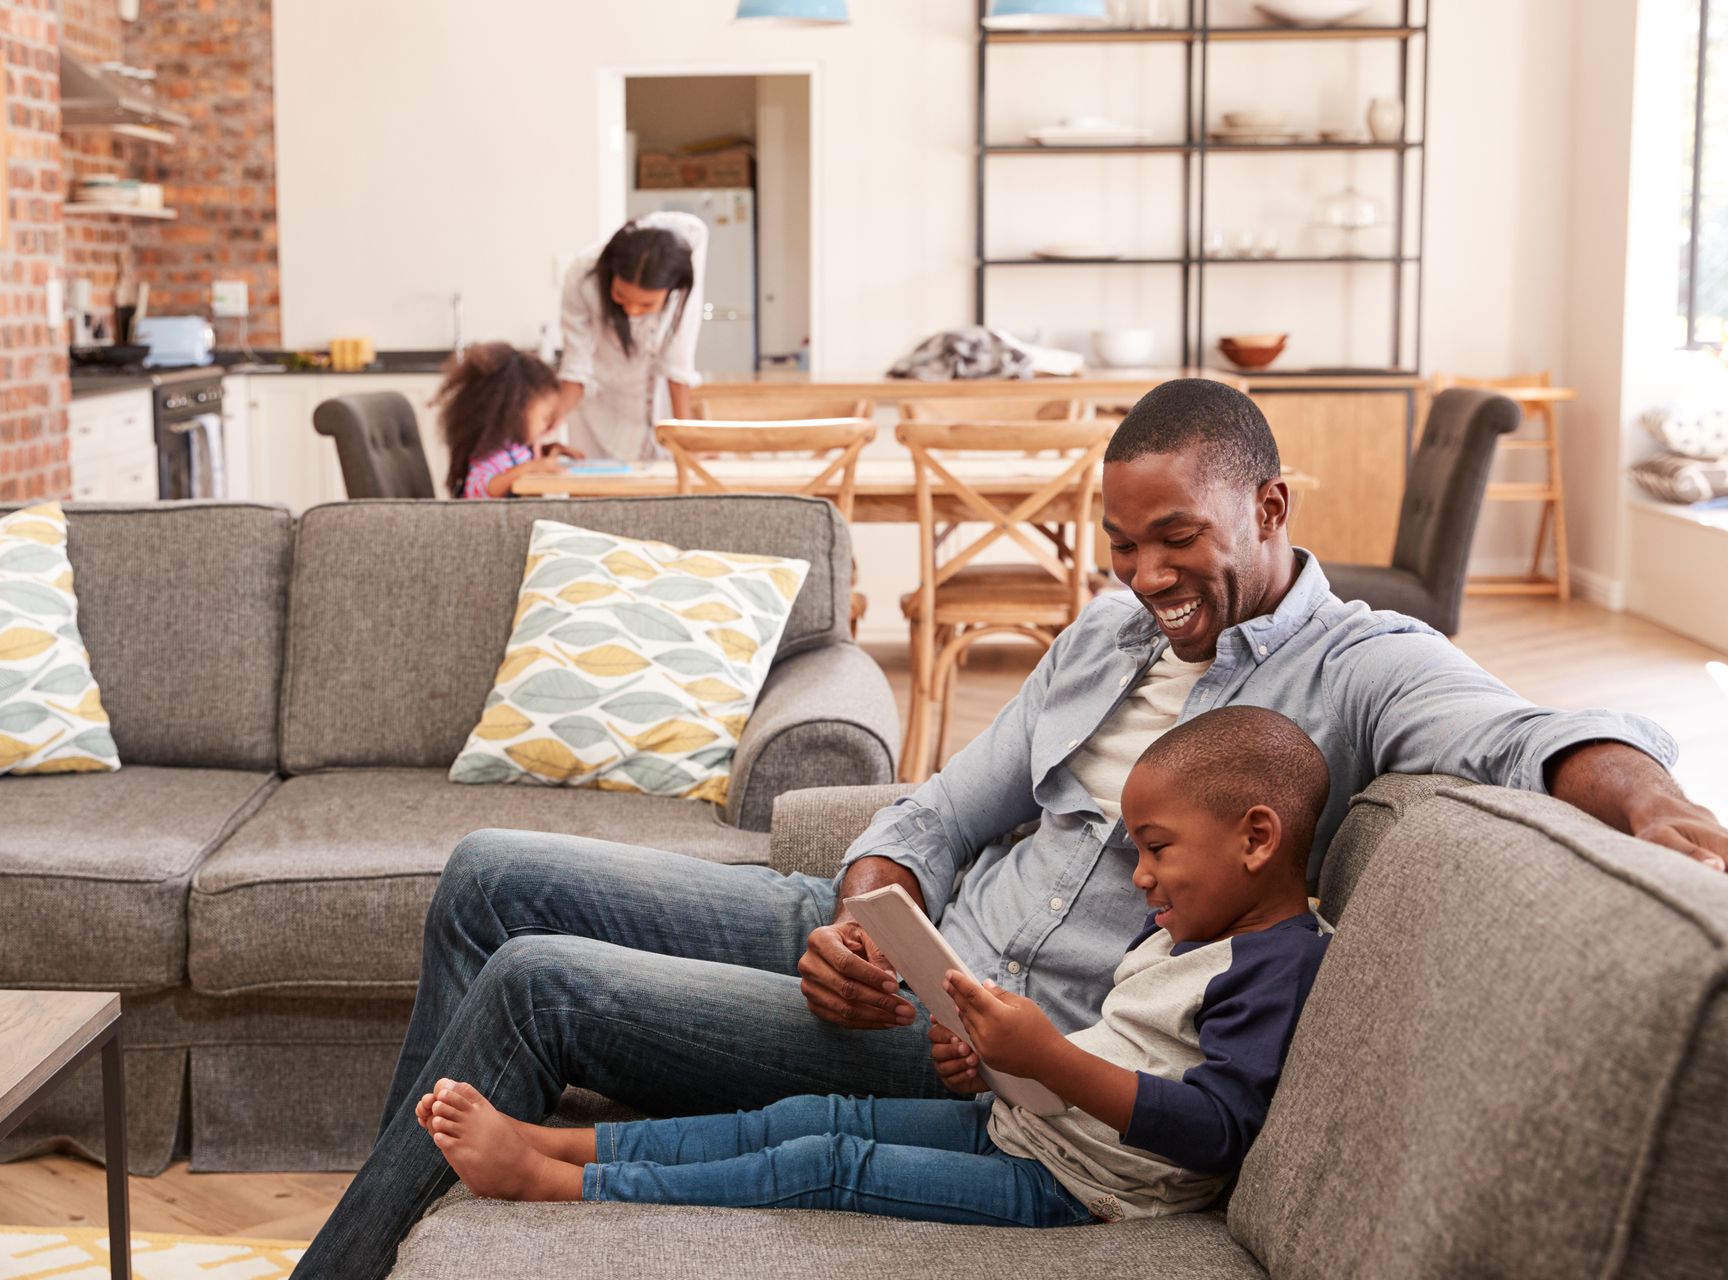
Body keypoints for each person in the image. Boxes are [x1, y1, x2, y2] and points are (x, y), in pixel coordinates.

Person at [292, 378, 1728, 1277]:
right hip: (887, 945)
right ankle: (410, 1207)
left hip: (975, 1034)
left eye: (1180, 538)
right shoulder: (1105, 634)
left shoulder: (1359, 666)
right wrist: (867, 895)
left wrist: (1655, 804)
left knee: (541, 979)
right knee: (486, 874)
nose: (1147, 573)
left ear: (1271, 505)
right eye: (1124, 542)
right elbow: (940, 806)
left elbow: (1533, 737)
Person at [415, 706, 1332, 1228]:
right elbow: (1132, 1055)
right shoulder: (1191, 931)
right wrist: (1003, 1064)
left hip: (1076, 1189)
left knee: (828, 1161)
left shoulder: (1276, 966)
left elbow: (1216, 1127)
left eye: (1156, 850)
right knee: (807, 1116)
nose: (1138, 877)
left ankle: (563, 1183)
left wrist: (1049, 1058)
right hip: (1029, 1126)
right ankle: (561, 1142)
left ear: (1257, 838)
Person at [553, 212, 708, 461]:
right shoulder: (583, 272)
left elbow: (678, 355)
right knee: (596, 486)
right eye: (620, 296)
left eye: (646, 305)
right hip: (598, 404)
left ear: (672, 290)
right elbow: (576, 364)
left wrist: (687, 437)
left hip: (656, 404)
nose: (632, 310)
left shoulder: (690, 246)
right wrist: (548, 424)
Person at [437, 340, 570, 500]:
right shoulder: (491, 452)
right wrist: (529, 468)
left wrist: (548, 452)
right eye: (544, 418)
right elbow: (479, 488)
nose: (547, 426)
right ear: (516, 411)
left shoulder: (516, 447)